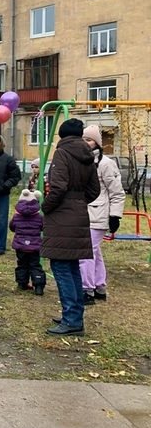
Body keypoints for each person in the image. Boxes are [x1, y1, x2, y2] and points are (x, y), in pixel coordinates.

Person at [41, 119, 100, 336]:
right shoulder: (88, 156)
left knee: (61, 268)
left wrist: (46, 206)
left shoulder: (62, 153)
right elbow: (94, 190)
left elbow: (57, 187)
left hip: (61, 216)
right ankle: (75, 314)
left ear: (62, 135)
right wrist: (78, 201)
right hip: (79, 214)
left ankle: (72, 319)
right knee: (72, 267)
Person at [81, 125, 125, 305]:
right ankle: (99, 287)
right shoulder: (82, 161)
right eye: (83, 140)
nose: (86, 143)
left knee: (85, 253)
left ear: (97, 143)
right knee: (95, 252)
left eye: (89, 140)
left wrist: (115, 216)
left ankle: (86, 290)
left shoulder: (106, 164)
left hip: (98, 214)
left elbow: (117, 192)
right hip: (84, 213)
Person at [9, 189, 46, 295]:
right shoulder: (39, 217)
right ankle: (38, 286)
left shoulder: (16, 216)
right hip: (34, 246)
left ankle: (22, 283)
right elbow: (43, 227)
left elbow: (12, 227)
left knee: (22, 264)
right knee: (35, 265)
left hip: (20, 245)